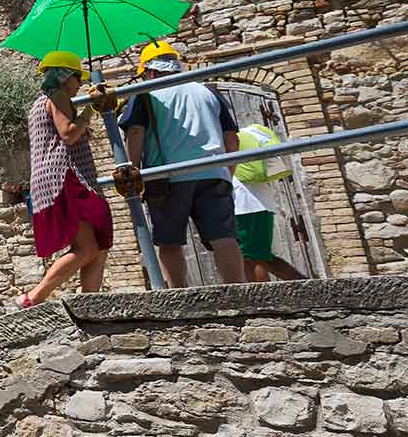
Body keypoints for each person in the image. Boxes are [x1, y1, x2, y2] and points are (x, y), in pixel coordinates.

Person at [119, 40, 245, 287]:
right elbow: (232, 138)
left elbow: (135, 132)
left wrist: (132, 170)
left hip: (166, 177)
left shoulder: (147, 92)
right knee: (223, 237)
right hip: (215, 172)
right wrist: (226, 172)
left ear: (150, 71)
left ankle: (180, 294)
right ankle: (240, 289)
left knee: (170, 242)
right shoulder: (208, 91)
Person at [17, 52, 113, 308]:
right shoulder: (58, 97)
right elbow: (68, 134)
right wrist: (91, 108)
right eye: (77, 77)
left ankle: (90, 304)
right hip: (65, 176)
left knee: (98, 241)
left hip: (57, 177)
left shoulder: (43, 102)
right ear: (64, 77)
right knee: (88, 247)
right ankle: (34, 297)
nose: (80, 83)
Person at [233, 123, 302, 281]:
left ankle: (260, 299)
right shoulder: (252, 132)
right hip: (256, 201)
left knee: (252, 258)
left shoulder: (225, 138)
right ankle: (307, 285)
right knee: (257, 257)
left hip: (244, 204)